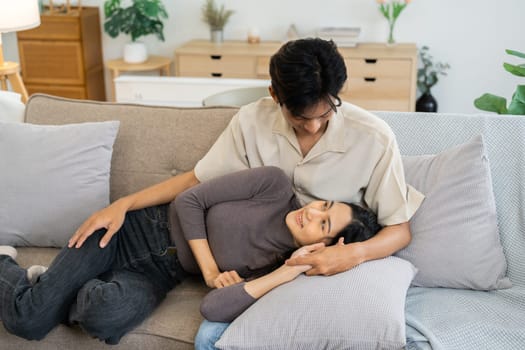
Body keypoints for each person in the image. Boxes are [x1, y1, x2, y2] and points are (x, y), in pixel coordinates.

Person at [47, 37, 421, 348]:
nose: (313, 127)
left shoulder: (373, 139)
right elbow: (196, 182)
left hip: (289, 267)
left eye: (325, 114)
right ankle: (56, 290)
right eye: (301, 118)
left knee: (214, 332)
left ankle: (60, 291)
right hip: (201, 248)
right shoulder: (252, 122)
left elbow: (399, 229)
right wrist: (124, 202)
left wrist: (351, 255)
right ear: (276, 95)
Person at [0, 166, 382, 343]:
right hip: (128, 231)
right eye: (324, 205)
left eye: (324, 224)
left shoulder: (274, 267)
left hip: (159, 275)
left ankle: (54, 284)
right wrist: (213, 270)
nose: (312, 212)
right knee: (29, 321)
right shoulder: (274, 185)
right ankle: (8, 265)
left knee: (106, 314)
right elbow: (189, 201)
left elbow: (213, 308)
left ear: (324, 248)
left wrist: (288, 271)